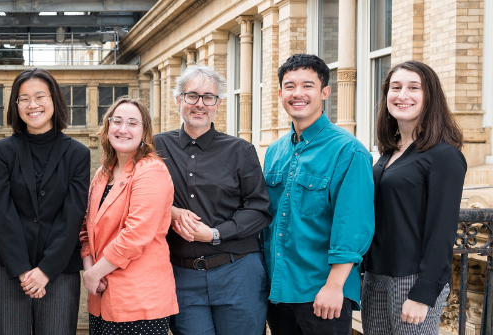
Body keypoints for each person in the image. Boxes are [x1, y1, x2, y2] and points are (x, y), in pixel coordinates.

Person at [262, 53, 375, 335]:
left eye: (307, 85)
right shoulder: (275, 152)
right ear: (279, 93)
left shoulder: (348, 151)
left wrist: (334, 286)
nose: (297, 93)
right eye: (289, 86)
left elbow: (353, 225)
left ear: (325, 91)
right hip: (278, 289)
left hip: (322, 293)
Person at [154, 66, 272, 334]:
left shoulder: (240, 150)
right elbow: (136, 196)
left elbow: (259, 209)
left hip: (238, 272)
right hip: (182, 276)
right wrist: (172, 211)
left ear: (218, 104)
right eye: (192, 96)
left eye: (209, 97)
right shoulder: (155, 148)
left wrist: (214, 234)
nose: (200, 104)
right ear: (178, 100)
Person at [361, 60, 466, 335]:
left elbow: (442, 230)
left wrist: (423, 293)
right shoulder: (387, 154)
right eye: (395, 87)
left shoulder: (444, 156)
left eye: (413, 87)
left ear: (429, 96)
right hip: (375, 278)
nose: (402, 95)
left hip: (412, 281)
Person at [0, 68, 90, 334]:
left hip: (58, 271)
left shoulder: (78, 154)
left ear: (54, 100)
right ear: (16, 105)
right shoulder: (3, 151)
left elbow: (72, 217)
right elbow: (1, 211)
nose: (32, 105)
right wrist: (23, 270)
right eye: (24, 99)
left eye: (39, 96)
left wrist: (45, 271)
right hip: (10, 270)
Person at [80, 97, 178, 334]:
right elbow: (85, 229)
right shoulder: (103, 174)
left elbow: (136, 235)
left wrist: (94, 273)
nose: (123, 129)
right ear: (107, 127)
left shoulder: (151, 169)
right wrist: (89, 269)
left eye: (133, 123)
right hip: (102, 299)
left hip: (139, 301)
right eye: (117, 121)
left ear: (144, 132)